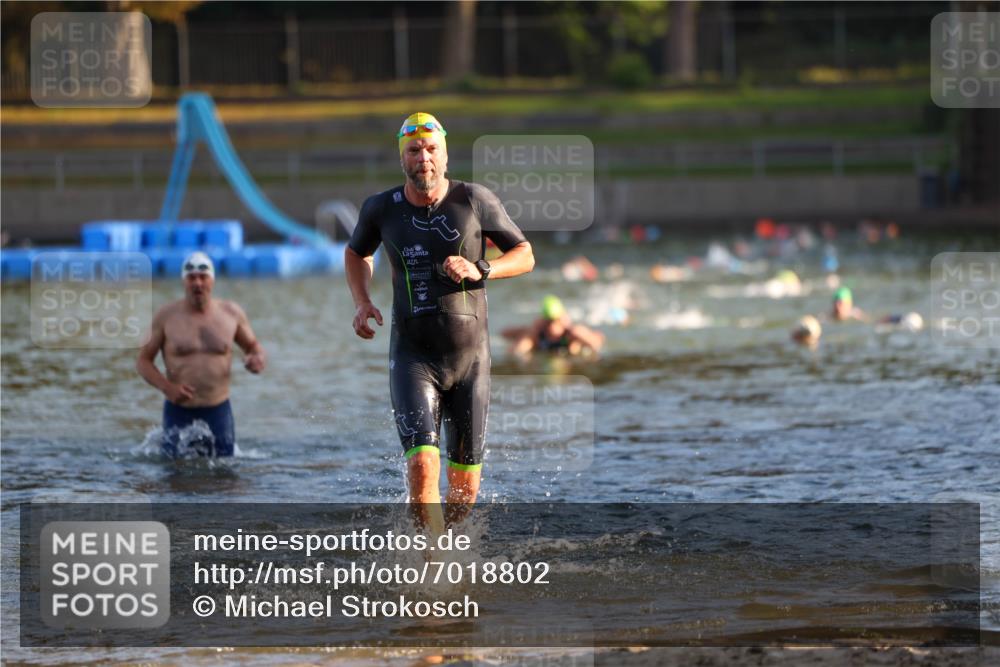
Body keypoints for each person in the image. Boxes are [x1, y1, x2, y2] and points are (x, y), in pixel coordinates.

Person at [344, 112, 534, 532]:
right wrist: (361, 301)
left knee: (464, 490)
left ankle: (449, 543)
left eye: (431, 149)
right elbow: (356, 253)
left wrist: (480, 268)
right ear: (403, 159)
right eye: (413, 150)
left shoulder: (474, 200)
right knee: (424, 470)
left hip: (471, 363)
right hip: (413, 359)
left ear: (445, 156)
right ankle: (433, 562)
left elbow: (525, 254)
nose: (423, 158)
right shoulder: (380, 209)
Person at [136, 252, 266, 458]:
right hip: (178, 409)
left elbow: (253, 346)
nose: (197, 283)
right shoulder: (166, 316)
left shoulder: (231, 313)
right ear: (184, 281)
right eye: (191, 277)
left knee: (225, 473)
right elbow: (143, 361)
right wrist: (167, 388)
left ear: (212, 280)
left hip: (218, 409)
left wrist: (256, 359)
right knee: (175, 474)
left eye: (203, 277)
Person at [505, 295, 605, 357]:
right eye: (549, 322)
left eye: (556, 321)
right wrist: (532, 332)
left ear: (562, 319)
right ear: (543, 321)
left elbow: (597, 343)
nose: (552, 326)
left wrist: (574, 331)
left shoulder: (572, 334)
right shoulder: (536, 335)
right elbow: (514, 352)